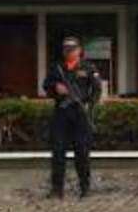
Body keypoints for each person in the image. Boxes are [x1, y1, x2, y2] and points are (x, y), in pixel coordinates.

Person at [43, 36, 103, 200]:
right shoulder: (57, 68)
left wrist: (90, 105)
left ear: (79, 50)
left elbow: (96, 89)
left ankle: (85, 187)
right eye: (67, 50)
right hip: (61, 113)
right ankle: (57, 189)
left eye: (73, 49)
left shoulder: (88, 67)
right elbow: (46, 85)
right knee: (58, 152)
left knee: (82, 152)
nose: (70, 52)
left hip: (80, 113)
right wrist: (56, 88)